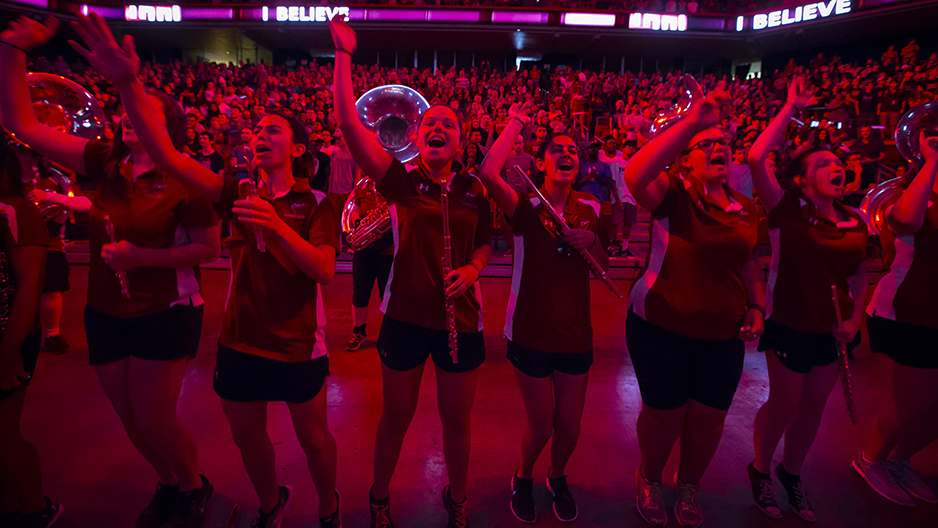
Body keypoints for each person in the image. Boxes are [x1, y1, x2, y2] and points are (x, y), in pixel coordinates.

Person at [69, 13, 342, 528]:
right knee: (246, 436)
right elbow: (168, 156)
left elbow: (325, 270)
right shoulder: (235, 190)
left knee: (312, 437)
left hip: (299, 342)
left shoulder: (318, 202)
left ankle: (329, 508)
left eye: (275, 130)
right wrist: (129, 83)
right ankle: (269, 503)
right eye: (257, 130)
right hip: (239, 341)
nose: (261, 135)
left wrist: (279, 227)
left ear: (299, 149)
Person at [2, 16, 218, 528]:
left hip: (165, 309)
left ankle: (191, 486)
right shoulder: (103, 161)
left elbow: (207, 250)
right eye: (128, 109)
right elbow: (22, 123)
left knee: (154, 418)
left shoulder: (182, 178)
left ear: (167, 127)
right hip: (105, 311)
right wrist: (11, 48)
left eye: (145, 111)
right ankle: (167, 482)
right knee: (128, 419)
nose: (128, 116)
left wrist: (141, 258)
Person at [331, 16, 492, 528]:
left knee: (456, 422)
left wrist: (473, 267)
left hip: (461, 323)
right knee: (396, 417)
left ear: (461, 142)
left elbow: (487, 243)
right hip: (403, 319)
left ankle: (458, 497)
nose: (438, 127)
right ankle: (380, 496)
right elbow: (349, 128)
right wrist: (342, 56)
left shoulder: (474, 190)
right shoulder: (399, 182)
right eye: (431, 123)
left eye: (449, 124)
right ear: (417, 137)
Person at [622, 81, 765, 528]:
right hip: (660, 328)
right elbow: (634, 175)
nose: (716, 148)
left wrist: (757, 306)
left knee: (707, 422)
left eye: (722, 143)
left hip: (723, 336)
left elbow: (748, 265)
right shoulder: (674, 197)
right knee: (664, 419)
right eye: (705, 146)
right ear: (684, 159)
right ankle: (649, 477)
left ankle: (688, 485)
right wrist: (691, 123)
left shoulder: (746, 208)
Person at [478, 103, 609, 524]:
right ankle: (523, 476)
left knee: (569, 426)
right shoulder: (522, 203)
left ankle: (557, 476)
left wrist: (591, 239)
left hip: (575, 334)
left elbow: (603, 262)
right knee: (541, 426)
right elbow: (487, 171)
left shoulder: (591, 207)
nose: (567, 154)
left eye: (573, 149)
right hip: (529, 331)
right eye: (558, 149)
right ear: (541, 161)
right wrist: (515, 122)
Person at [747, 77, 869, 523]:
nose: (835, 167)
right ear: (800, 180)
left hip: (833, 332)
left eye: (837, 162)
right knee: (785, 402)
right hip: (789, 325)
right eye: (823, 163)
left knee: (813, 408)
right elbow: (757, 157)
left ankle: (791, 473)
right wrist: (789, 108)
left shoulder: (856, 220)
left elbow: (859, 273)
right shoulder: (786, 212)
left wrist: (855, 321)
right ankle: (760, 469)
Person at [854, 130, 938, 507]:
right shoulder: (902, 194)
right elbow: (904, 221)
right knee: (912, 404)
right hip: (908, 313)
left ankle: (898, 460)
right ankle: (871, 461)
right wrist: (932, 162)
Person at [0, 133, 59, 528]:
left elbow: (29, 285)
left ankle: (35, 509)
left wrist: (8, 352)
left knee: (3, 433)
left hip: (7, 333)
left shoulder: (16, 209)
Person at [23, 154, 92, 355]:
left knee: (52, 288)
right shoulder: (9, 175)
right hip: (14, 238)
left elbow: (85, 202)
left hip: (50, 240)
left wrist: (50, 198)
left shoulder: (56, 177)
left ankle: (52, 334)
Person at [345, 176, 393, 352]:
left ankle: (389, 335)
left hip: (388, 252)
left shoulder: (395, 189)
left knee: (386, 295)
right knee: (360, 293)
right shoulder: (363, 188)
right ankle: (359, 331)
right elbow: (355, 211)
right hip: (364, 251)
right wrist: (357, 224)